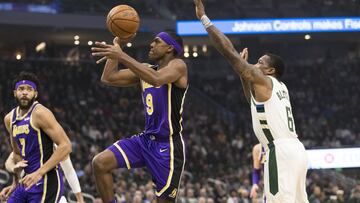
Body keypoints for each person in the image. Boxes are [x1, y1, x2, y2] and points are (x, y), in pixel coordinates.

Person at [193, 1, 309, 202]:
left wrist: (204, 19)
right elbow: (252, 102)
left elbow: (229, 53)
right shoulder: (278, 88)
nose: (255, 64)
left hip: (279, 152)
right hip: (296, 151)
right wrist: (243, 74)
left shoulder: (265, 80)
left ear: (270, 70)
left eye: (260, 63)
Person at [91, 30, 188, 203]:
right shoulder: (146, 70)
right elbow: (108, 78)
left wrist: (121, 55)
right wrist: (117, 47)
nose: (151, 45)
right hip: (145, 141)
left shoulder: (178, 65)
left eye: (157, 42)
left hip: (168, 146)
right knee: (100, 163)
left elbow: (157, 79)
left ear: (169, 48)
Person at [0, 71, 72, 203]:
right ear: (14, 93)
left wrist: (39, 173)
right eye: (21, 89)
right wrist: (15, 181)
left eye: (29, 89)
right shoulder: (9, 119)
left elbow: (66, 145)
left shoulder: (40, 113)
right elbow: (17, 154)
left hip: (46, 180)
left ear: (35, 94)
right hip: (27, 180)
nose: (25, 92)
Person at [4, 152, 85, 203]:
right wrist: (13, 168)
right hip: (26, 190)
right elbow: (9, 160)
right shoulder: (27, 139)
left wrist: (80, 199)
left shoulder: (55, 145)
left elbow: (69, 171)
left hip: (49, 192)